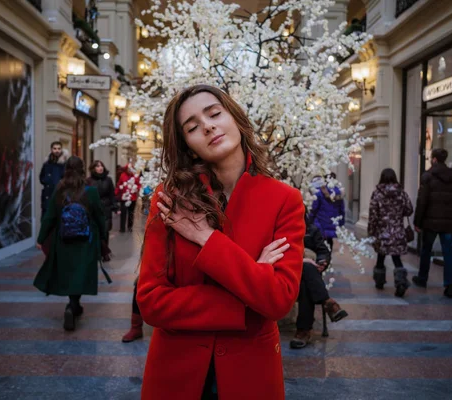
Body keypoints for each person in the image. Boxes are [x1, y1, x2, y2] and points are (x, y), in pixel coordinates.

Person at [136, 84, 305, 400]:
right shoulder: (170, 200)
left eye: (214, 114)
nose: (208, 126)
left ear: (236, 119)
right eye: (192, 126)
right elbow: (151, 301)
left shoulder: (284, 200)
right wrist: (247, 292)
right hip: (175, 375)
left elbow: (279, 300)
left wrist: (206, 237)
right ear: (188, 146)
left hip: (251, 375)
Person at [34, 156, 107, 331]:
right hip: (85, 241)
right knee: (80, 273)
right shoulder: (90, 191)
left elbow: (50, 216)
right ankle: (73, 306)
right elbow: (99, 217)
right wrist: (104, 238)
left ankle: (73, 305)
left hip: (64, 240)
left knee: (69, 273)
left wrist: (41, 238)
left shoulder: (60, 190)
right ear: (83, 170)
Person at [291, 216, 348, 350]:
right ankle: (328, 303)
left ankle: (303, 331)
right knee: (307, 267)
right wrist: (301, 261)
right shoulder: (279, 230)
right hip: (287, 275)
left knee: (306, 285)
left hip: (305, 280)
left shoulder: (311, 230)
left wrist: (322, 262)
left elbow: (323, 251)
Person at [413, 148, 452, 298]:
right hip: (447, 224)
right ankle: (450, 285)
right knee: (448, 253)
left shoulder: (427, 177)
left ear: (434, 159)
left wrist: (418, 222)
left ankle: (422, 278)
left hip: (430, 223)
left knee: (426, 250)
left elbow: (422, 202)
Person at [368, 168, 414, 297]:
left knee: (381, 257)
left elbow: (373, 214)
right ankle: (401, 283)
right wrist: (398, 214)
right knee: (396, 258)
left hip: (382, 232)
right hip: (397, 231)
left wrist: (371, 231)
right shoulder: (401, 193)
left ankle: (379, 281)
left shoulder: (377, 193)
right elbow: (409, 210)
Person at [310, 172, 345, 252]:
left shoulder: (319, 193)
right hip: (332, 222)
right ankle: (328, 258)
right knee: (329, 241)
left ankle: (323, 259)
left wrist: (310, 219)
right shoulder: (339, 193)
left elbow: (314, 208)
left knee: (320, 242)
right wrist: (341, 223)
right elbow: (342, 209)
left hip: (321, 222)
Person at [87, 160, 117, 233]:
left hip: (106, 209)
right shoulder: (88, 181)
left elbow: (112, 194)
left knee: (105, 232)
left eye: (101, 165)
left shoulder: (108, 180)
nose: (100, 168)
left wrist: (115, 206)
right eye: (98, 166)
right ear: (93, 168)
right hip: (93, 210)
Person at [39, 141, 68, 217]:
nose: (57, 150)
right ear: (51, 149)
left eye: (59, 148)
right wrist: (46, 181)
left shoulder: (65, 164)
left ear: (61, 149)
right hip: (47, 195)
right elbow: (41, 177)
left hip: (60, 196)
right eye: (54, 148)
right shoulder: (47, 163)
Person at [115, 164, 141, 232]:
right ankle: (122, 228)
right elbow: (119, 184)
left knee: (131, 213)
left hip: (133, 198)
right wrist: (116, 193)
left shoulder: (135, 176)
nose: (129, 170)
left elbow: (138, 184)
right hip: (124, 198)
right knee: (123, 213)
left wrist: (136, 188)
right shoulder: (123, 175)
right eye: (128, 169)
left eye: (131, 169)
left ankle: (130, 227)